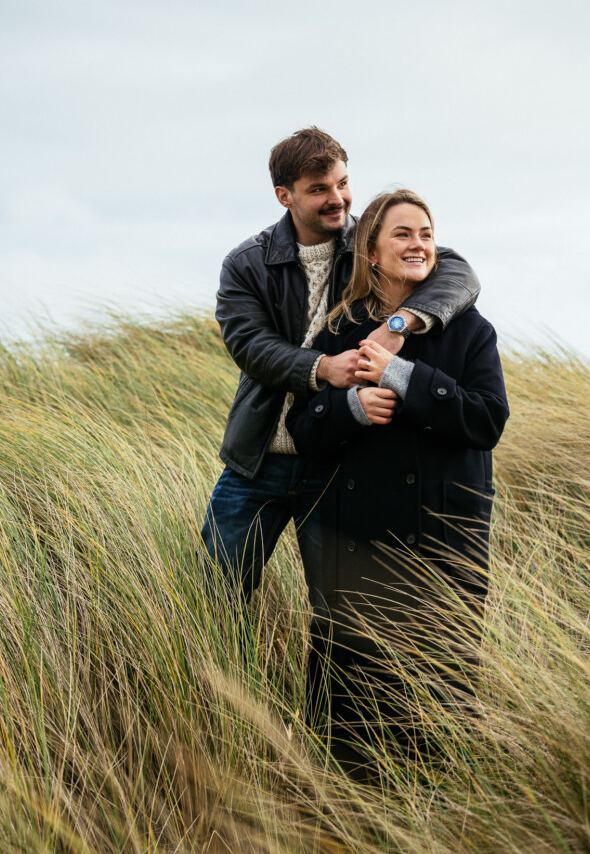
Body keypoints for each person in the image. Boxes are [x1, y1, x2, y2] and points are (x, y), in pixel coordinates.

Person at [202, 129, 481, 610]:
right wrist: (323, 367)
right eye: (319, 189)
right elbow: (249, 345)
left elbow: (458, 272)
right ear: (284, 196)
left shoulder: (369, 241)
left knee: (338, 610)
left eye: (343, 183)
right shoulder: (246, 264)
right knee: (216, 592)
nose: (338, 199)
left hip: (337, 463)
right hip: (260, 458)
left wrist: (400, 322)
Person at [287, 189, 509, 778]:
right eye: (404, 234)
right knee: (349, 718)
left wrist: (403, 375)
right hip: (354, 547)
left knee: (438, 706)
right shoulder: (341, 329)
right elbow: (303, 430)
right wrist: (351, 407)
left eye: (427, 234)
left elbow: (487, 420)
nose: (419, 245)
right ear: (373, 251)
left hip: (443, 545)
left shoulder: (470, 331)